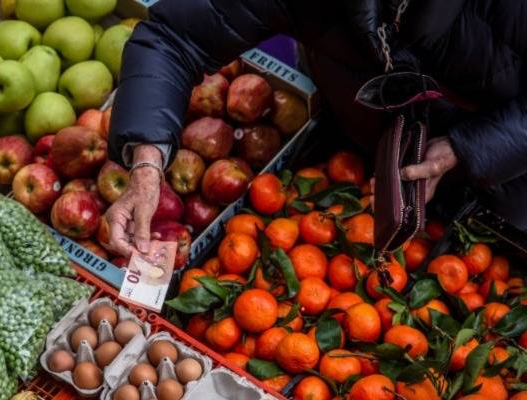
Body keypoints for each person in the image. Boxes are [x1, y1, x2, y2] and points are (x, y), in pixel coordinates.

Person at [104, 0, 527, 258]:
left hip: (507, 173)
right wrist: (146, 160)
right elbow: (175, 36)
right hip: (362, 141)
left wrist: (467, 148)